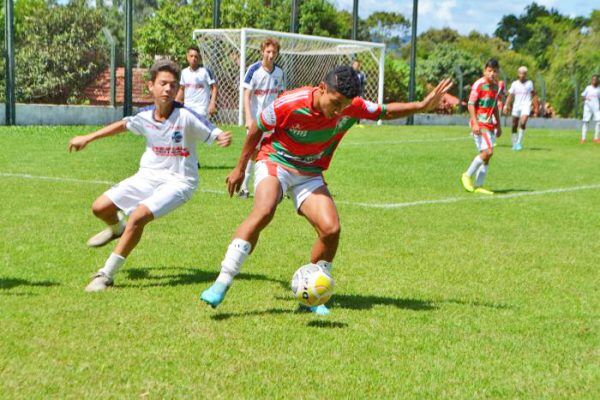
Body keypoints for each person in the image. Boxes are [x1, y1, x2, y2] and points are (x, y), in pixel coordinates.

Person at [199, 65, 452, 315]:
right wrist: (240, 168)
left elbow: (384, 111)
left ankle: (313, 292)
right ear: (322, 89)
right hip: (276, 161)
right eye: (336, 102)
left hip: (309, 173)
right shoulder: (290, 103)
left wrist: (420, 106)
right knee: (264, 210)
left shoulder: (352, 106)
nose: (340, 111)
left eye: (345, 105)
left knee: (331, 229)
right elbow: (256, 129)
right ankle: (222, 281)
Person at [68, 59, 232, 292]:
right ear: (151, 86)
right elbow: (122, 126)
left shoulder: (186, 116)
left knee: (138, 215)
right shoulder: (144, 116)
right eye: (163, 84)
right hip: (147, 176)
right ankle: (117, 229)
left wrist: (221, 137)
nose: (168, 89)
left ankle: (106, 274)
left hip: (179, 182)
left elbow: (213, 130)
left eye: (173, 85)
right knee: (100, 207)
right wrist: (88, 138)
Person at [239, 38, 286, 199]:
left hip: (273, 120)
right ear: (262, 52)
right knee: (252, 151)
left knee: (274, 152)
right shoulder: (254, 70)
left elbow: (281, 96)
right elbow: (247, 95)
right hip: (256, 120)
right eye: (268, 52)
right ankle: (244, 186)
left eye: (274, 52)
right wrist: (248, 118)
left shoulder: (280, 72)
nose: (271, 55)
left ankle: (278, 188)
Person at [461, 59, 502, 195]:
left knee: (487, 156)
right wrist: (475, 123)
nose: (492, 74)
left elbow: (494, 106)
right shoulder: (478, 84)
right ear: (484, 71)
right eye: (489, 71)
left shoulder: (496, 87)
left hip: (489, 123)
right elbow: (471, 104)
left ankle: (479, 185)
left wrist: (499, 125)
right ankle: (467, 175)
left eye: (495, 71)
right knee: (488, 152)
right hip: (479, 123)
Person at [176, 46, 218, 118]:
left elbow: (214, 87)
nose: (193, 58)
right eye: (191, 56)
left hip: (201, 109)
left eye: (196, 56)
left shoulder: (205, 71)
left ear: (199, 58)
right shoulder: (184, 72)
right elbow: (182, 89)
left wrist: (212, 102)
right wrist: (175, 103)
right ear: (187, 57)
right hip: (188, 108)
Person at [503, 66, 538, 151]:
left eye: (524, 73)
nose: (522, 75)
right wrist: (506, 105)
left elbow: (534, 95)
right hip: (516, 106)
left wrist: (536, 107)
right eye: (520, 73)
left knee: (522, 122)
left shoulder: (530, 83)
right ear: (518, 74)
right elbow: (510, 96)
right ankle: (514, 143)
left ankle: (519, 143)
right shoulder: (514, 84)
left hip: (526, 105)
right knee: (514, 125)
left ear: (526, 75)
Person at [580, 74, 600, 144]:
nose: (594, 81)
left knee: (599, 122)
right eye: (593, 79)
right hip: (588, 108)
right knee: (586, 122)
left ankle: (596, 138)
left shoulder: (599, 89)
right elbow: (582, 96)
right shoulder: (588, 88)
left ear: (598, 81)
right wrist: (586, 98)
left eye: (595, 79)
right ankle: (583, 138)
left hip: (596, 108)